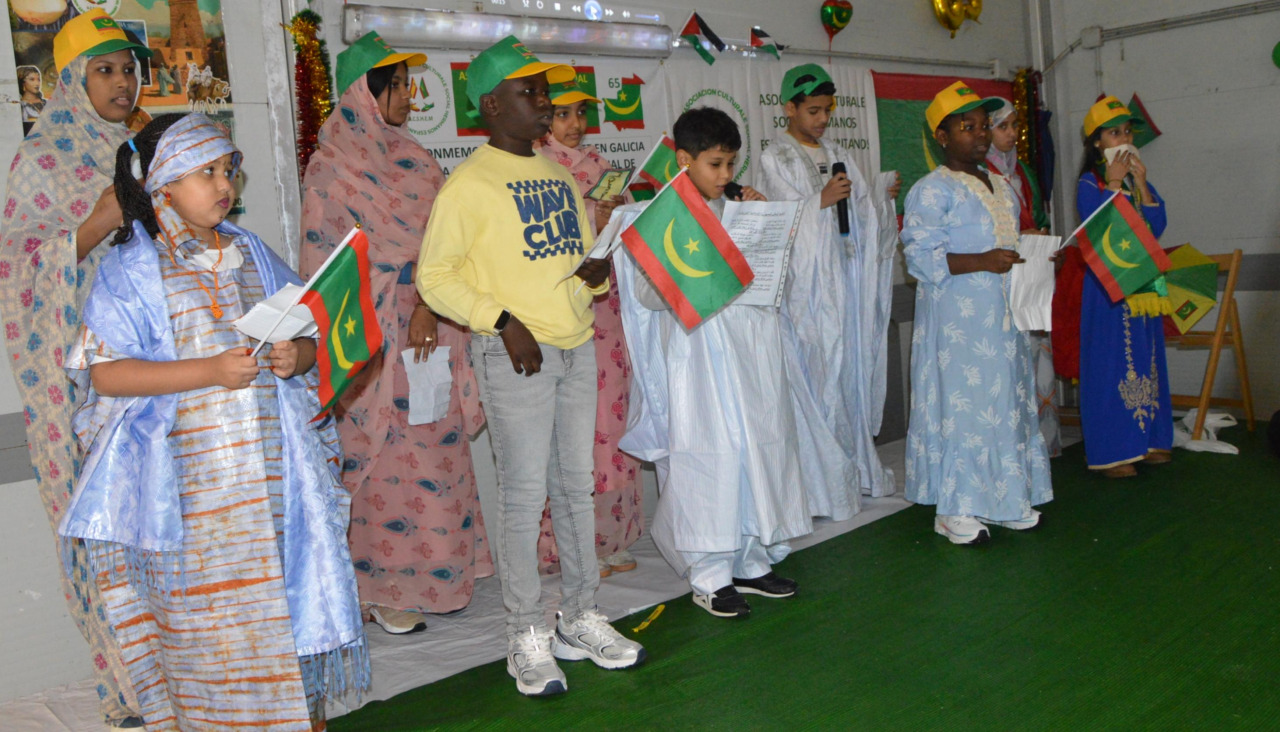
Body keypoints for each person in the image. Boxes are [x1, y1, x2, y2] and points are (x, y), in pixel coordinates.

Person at [60, 113, 367, 729]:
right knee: (212, 638)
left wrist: (295, 356)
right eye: (207, 171)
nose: (225, 182)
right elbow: (106, 374)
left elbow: (313, 336)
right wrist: (208, 371)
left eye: (229, 169)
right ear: (163, 185)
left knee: (283, 616)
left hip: (278, 490)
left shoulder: (252, 251)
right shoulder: (131, 269)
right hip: (192, 503)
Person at [417, 35, 645, 697]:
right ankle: (524, 634)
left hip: (575, 349)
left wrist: (595, 277)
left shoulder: (555, 175)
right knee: (524, 499)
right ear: (491, 105)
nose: (546, 102)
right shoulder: (468, 184)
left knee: (574, 492)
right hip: (516, 356)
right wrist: (502, 322)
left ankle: (579, 616)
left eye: (546, 91)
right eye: (531, 92)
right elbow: (435, 278)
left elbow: (570, 269)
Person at [301, 32, 492, 636]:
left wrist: (432, 302)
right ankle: (383, 589)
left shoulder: (419, 160)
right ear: (365, 93)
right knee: (384, 463)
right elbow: (323, 263)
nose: (410, 95)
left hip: (434, 332)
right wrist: (399, 292)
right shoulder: (331, 168)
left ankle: (444, 574)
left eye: (411, 84)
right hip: (373, 342)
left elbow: (446, 247)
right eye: (399, 85)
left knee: (439, 450)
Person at [0, 10, 153, 727]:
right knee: (106, 537)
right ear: (67, 83)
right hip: (83, 393)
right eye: (104, 70)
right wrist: (98, 218)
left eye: (128, 68)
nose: (122, 82)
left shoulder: (141, 150)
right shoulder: (43, 163)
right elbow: (17, 274)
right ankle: (129, 693)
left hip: (151, 380)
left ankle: (180, 670)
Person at [615, 107, 813, 618]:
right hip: (697, 357)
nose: (727, 176)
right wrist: (701, 267)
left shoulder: (741, 205)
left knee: (755, 451)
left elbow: (775, 280)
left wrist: (763, 226)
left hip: (750, 353)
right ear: (683, 160)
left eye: (731, 164)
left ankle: (750, 558)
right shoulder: (663, 212)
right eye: (716, 164)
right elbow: (645, 292)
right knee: (708, 457)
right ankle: (708, 572)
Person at [900, 81, 1052, 545]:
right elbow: (919, 258)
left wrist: (1040, 256)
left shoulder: (1003, 186)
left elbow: (1009, 245)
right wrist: (982, 261)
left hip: (1003, 324)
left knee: (1003, 407)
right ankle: (955, 509)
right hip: (959, 330)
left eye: (984, 125)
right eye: (967, 127)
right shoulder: (931, 190)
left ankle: (1004, 500)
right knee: (964, 412)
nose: (981, 134)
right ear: (941, 137)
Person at [757, 62, 898, 514]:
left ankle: (854, 469)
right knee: (818, 374)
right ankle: (819, 487)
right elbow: (778, 222)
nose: (821, 120)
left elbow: (858, 213)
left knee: (848, 373)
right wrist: (820, 201)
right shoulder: (775, 158)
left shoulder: (838, 152)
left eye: (827, 111)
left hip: (846, 286)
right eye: (813, 110)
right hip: (809, 295)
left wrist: (878, 199)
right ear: (789, 108)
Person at [535, 78, 642, 579]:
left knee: (612, 421)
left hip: (610, 310)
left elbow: (625, 238)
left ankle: (609, 539)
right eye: (562, 115)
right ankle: (567, 548)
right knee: (573, 428)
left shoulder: (603, 168)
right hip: (563, 312)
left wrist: (619, 216)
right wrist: (588, 214)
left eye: (580, 113)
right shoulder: (535, 168)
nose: (574, 125)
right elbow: (543, 243)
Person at [1073, 96, 1173, 478]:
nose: (1124, 137)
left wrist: (1142, 183)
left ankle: (1148, 441)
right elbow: (1096, 225)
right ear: (1097, 141)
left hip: (1142, 285)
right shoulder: (1090, 182)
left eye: (1127, 130)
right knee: (1110, 363)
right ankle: (1111, 452)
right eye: (1114, 132)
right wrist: (1114, 182)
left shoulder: (1134, 180)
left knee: (1147, 359)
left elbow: (1156, 226)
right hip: (1106, 288)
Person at [986, 97, 1061, 458]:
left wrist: (1043, 238)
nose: (1013, 133)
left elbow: (1038, 217)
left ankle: (1042, 447)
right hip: (1002, 282)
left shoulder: (1023, 171)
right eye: (1003, 126)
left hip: (1032, 274)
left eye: (1015, 125)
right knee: (1011, 365)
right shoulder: (980, 174)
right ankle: (1014, 451)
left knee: (1037, 357)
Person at [18, 65, 46, 133]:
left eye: (38, 79)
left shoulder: (47, 103)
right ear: (23, 82)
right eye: (32, 79)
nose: (37, 83)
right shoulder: (20, 106)